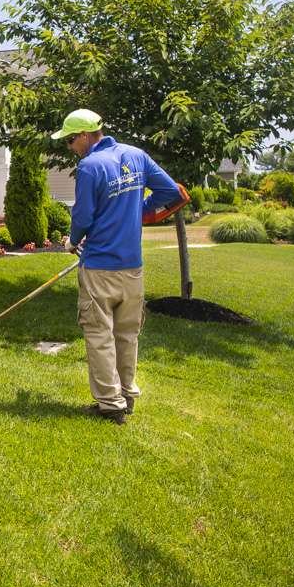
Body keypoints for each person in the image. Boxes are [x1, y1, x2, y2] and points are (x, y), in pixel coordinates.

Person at [53, 108, 181, 425]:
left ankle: (111, 404)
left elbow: (82, 216)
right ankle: (128, 397)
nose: (70, 147)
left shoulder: (89, 166)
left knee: (99, 335)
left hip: (99, 267)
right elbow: (170, 192)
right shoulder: (135, 155)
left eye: (70, 140)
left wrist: (72, 241)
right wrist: (139, 210)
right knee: (127, 335)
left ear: (84, 136)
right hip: (132, 268)